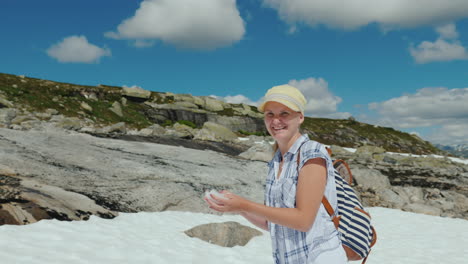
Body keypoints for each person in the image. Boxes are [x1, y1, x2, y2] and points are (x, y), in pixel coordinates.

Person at [204, 84, 347, 264]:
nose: (275, 121)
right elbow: (272, 224)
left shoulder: (312, 153)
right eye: (270, 114)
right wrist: (237, 207)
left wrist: (245, 205)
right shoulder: (276, 161)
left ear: (300, 117)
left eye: (284, 113)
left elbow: (303, 220)